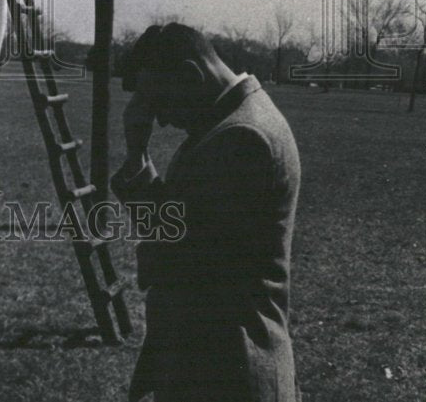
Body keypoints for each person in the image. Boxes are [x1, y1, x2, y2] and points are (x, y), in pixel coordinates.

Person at [111, 23, 302, 402]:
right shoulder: (233, 123)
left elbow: (174, 260)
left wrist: (138, 156)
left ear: (189, 75)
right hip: (218, 364)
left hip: (225, 373)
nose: (160, 120)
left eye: (160, 103)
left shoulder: (239, 138)